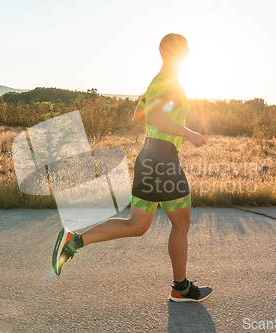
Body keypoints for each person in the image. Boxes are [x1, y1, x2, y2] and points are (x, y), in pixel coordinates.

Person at [52, 33, 212, 302]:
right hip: (164, 160)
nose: (189, 52)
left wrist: (153, 107)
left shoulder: (156, 82)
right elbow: (152, 116)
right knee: (181, 224)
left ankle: (74, 241)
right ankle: (181, 288)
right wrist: (189, 134)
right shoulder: (169, 82)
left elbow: (138, 116)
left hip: (148, 157)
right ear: (178, 53)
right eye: (186, 48)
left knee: (137, 224)